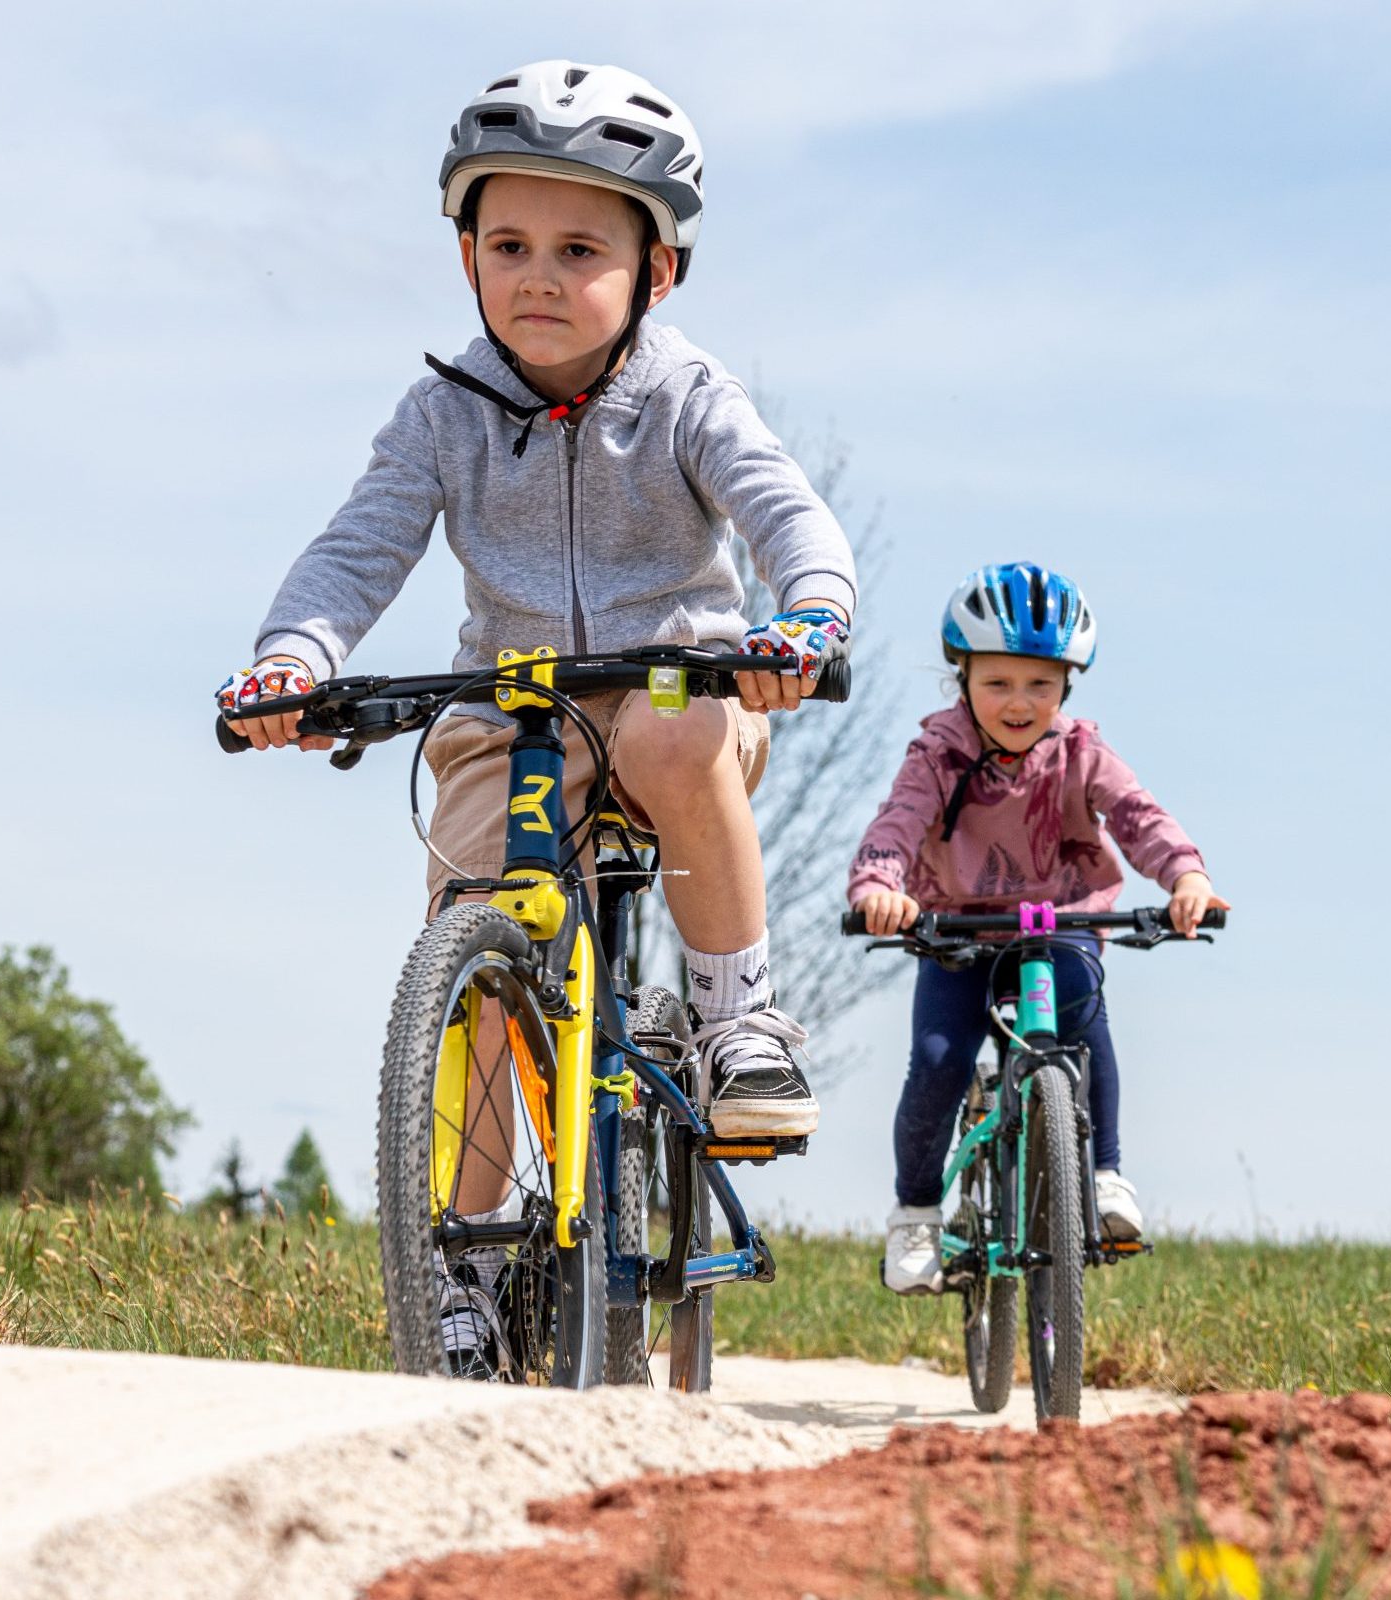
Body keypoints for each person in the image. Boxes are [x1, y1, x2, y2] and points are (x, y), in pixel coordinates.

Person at [216, 62, 855, 1369]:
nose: (539, 276)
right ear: (463, 255)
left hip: (679, 680)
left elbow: (786, 512)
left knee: (677, 732)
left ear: (657, 271)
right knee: (478, 940)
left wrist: (808, 616)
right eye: (507, 244)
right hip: (510, 710)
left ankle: (737, 1015)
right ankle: (454, 1259)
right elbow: (358, 551)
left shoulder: (684, 396)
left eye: (580, 248)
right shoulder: (441, 414)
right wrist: (293, 660)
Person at [846, 563, 1225, 1294]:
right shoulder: (938, 755)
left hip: (1062, 926)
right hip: (958, 933)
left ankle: (1106, 1176)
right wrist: (878, 888)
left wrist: (1186, 877)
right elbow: (897, 826)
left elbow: (1137, 817)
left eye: (1040, 685)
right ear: (962, 678)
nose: (1019, 703)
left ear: (1068, 685)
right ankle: (918, 1214)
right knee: (938, 1059)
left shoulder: (1081, 752)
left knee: (1086, 1028)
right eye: (998, 684)